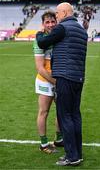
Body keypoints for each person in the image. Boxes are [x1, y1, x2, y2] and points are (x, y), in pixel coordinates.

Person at [36, 2, 88, 166]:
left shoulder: (62, 27)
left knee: (65, 116)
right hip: (78, 78)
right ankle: (77, 154)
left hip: (64, 77)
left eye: (57, 14)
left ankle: (71, 157)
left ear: (64, 12)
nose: (56, 17)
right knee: (75, 116)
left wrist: (38, 33)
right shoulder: (81, 29)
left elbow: (42, 43)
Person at [33, 10, 63, 154]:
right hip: (45, 81)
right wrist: (54, 81)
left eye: (53, 21)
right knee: (44, 112)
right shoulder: (39, 39)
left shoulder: (58, 35)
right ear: (43, 24)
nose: (50, 25)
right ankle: (44, 144)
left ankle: (58, 139)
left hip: (58, 79)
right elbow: (40, 68)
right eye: (47, 22)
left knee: (61, 111)